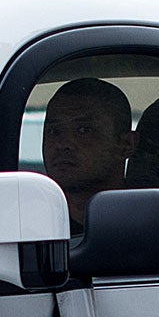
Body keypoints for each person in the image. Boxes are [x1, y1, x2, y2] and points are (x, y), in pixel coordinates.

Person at [41, 77, 135, 228]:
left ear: (126, 144)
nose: (63, 144)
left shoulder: (152, 224)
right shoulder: (28, 223)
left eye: (83, 130)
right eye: (54, 131)